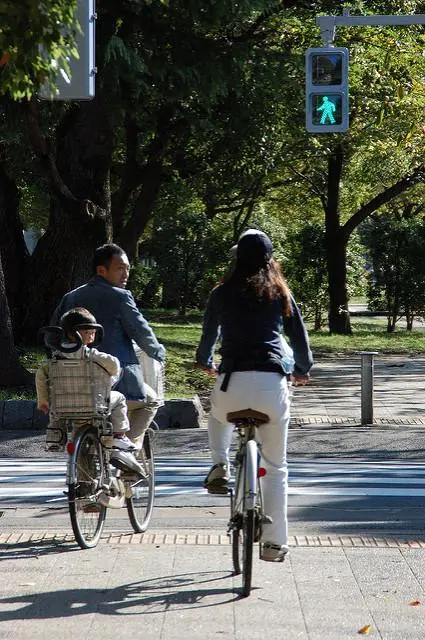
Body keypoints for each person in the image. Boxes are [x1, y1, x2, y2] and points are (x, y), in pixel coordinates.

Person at [195, 230, 313, 563]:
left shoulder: (220, 293)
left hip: (231, 383)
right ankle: (275, 544)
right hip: (271, 385)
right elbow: (299, 339)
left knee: (217, 416)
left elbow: (207, 338)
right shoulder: (280, 293)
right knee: (275, 467)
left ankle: (219, 463)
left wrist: (206, 362)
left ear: (237, 259)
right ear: (269, 259)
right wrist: (303, 369)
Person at [51, 244, 166, 450]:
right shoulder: (120, 296)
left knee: (82, 427)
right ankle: (126, 449)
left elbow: (53, 335)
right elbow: (141, 332)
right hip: (118, 384)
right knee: (151, 401)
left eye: (128, 268)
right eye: (120, 268)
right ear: (101, 270)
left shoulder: (71, 297)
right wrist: (158, 352)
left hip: (74, 390)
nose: (126, 274)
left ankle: (83, 478)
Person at [36, 307, 145, 476]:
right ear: (74, 334)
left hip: (64, 406)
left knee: (74, 434)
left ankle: (60, 443)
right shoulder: (91, 355)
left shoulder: (55, 357)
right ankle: (119, 434)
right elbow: (114, 366)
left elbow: (41, 375)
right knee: (120, 398)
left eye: (93, 331)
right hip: (93, 404)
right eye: (88, 331)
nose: (91, 335)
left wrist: (43, 400)